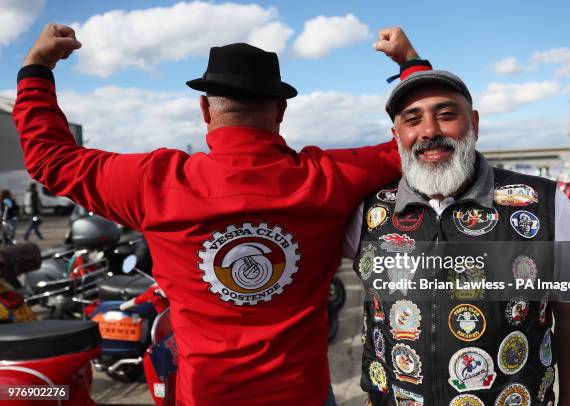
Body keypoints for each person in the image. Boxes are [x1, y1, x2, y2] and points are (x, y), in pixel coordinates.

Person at [13, 24, 427, 405]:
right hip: (303, 392)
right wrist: (411, 65)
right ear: (280, 111)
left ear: (205, 110)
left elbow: (50, 157)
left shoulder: (152, 182)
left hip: (206, 395)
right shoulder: (328, 178)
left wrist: (37, 68)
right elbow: (420, 140)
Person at [344, 57, 570, 404]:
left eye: (447, 114)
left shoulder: (546, 202)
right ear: (397, 136)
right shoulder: (368, 211)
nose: (430, 131)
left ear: (474, 124)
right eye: (412, 119)